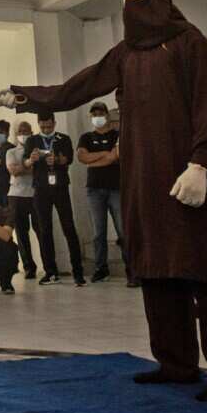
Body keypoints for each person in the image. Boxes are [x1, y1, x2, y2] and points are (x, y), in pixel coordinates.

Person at [0, 0, 207, 401]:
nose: (136, 11)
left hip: (188, 177)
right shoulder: (125, 53)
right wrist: (22, 95)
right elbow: (74, 90)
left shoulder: (192, 44)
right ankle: (176, 364)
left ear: (165, 0)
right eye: (128, 2)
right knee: (156, 271)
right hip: (142, 179)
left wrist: (201, 164)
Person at [25, 112, 85, 286]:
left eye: (49, 126)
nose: (46, 129)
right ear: (38, 124)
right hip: (40, 188)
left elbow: (69, 159)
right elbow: (25, 163)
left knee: (69, 227)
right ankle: (51, 272)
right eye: (42, 126)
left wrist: (57, 159)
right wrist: (31, 159)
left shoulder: (63, 139)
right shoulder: (32, 140)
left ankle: (78, 273)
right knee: (44, 230)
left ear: (54, 123)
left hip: (60, 187)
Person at [77, 101, 124, 284]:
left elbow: (116, 156)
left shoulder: (117, 135)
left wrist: (94, 158)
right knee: (98, 232)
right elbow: (82, 157)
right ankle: (101, 268)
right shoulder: (86, 137)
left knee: (123, 230)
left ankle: (132, 268)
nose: (98, 117)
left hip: (116, 188)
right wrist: (106, 155)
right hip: (94, 190)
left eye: (100, 113)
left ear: (106, 115)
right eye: (94, 114)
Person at [5, 121, 41, 279]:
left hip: (35, 194)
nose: (23, 133)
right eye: (20, 131)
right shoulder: (11, 152)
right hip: (16, 195)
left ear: (32, 132)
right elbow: (14, 171)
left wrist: (24, 167)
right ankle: (29, 267)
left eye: (26, 131)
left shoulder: (38, 151)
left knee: (41, 230)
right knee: (21, 233)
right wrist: (29, 167)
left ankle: (49, 266)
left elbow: (39, 171)